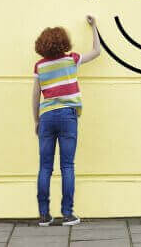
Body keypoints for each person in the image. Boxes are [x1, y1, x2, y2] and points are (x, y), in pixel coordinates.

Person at [32, 15, 101, 226]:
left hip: (47, 117)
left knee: (45, 167)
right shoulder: (71, 59)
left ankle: (44, 216)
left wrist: (36, 121)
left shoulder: (40, 67)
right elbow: (97, 51)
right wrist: (94, 26)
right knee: (67, 165)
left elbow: (35, 96)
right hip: (68, 116)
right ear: (63, 42)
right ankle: (68, 214)